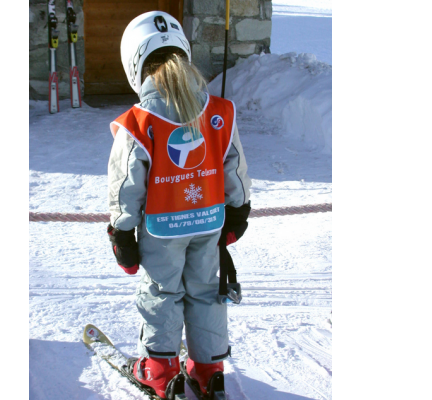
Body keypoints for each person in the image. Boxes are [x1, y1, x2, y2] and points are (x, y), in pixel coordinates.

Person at [105, 10, 252, 399]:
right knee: (206, 290)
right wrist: (238, 209)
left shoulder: (139, 122)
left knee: (161, 292)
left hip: (162, 230)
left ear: (134, 63)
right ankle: (208, 370)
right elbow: (233, 165)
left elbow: (126, 185)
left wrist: (122, 231)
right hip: (208, 222)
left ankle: (159, 369)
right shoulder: (218, 113)